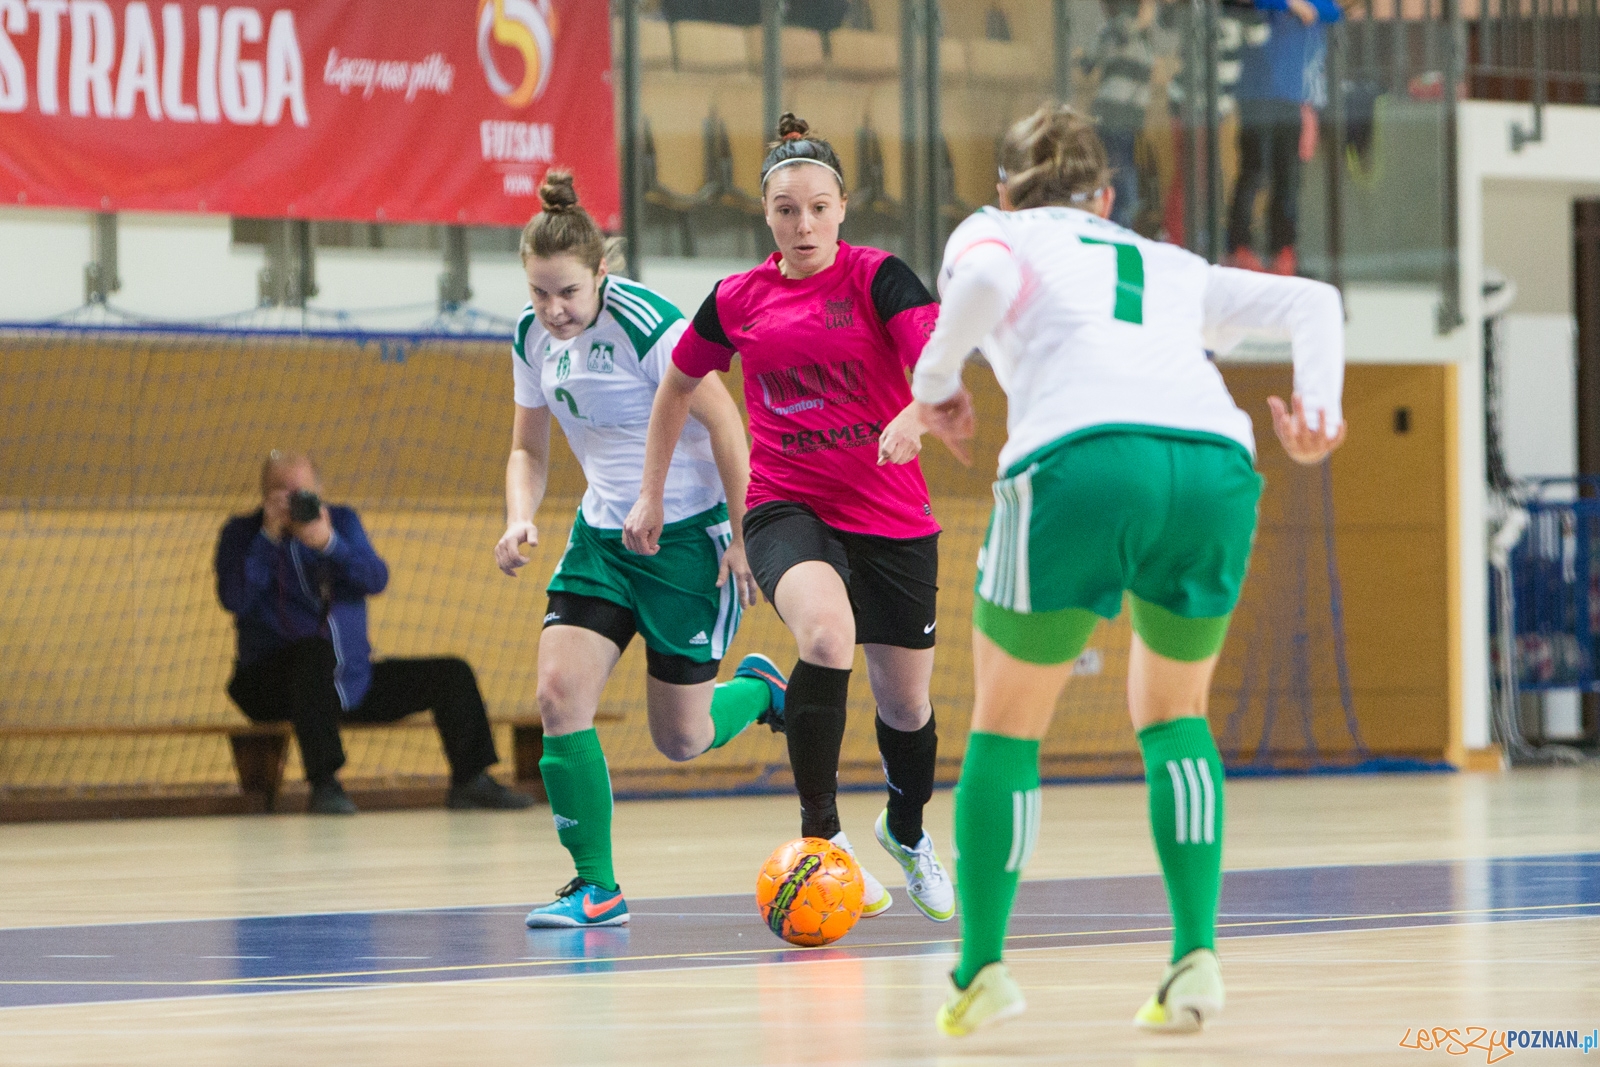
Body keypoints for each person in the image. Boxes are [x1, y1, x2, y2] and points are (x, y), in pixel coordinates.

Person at [881, 104, 1346, 1035]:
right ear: (1105, 196)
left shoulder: (994, 228)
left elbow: (983, 282)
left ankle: (982, 970)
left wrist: (933, 387)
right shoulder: (1166, 261)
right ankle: (1195, 954)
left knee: (1007, 728)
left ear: (1005, 188)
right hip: (1213, 463)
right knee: (1176, 714)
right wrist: (1319, 411)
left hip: (1080, 461)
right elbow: (1314, 301)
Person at [624, 114, 956, 923]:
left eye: (816, 208)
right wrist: (650, 491)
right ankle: (823, 838)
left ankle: (906, 829)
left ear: (842, 208)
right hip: (785, 508)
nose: (802, 225)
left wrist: (914, 415)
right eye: (785, 210)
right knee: (826, 636)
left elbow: (941, 365)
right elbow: (677, 386)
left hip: (890, 514)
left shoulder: (880, 279)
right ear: (766, 215)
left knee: (905, 707)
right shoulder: (737, 299)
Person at [498, 170, 787, 929]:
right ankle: (596, 886)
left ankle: (761, 691)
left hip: (687, 540)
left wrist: (745, 533)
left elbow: (725, 423)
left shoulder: (649, 324)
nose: (554, 310)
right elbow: (527, 448)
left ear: (601, 272)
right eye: (539, 293)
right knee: (557, 696)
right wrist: (519, 517)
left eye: (567, 292)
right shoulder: (531, 337)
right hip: (602, 538)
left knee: (681, 738)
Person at [216, 452, 534, 815]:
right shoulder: (241, 533)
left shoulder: (341, 522)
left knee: (451, 674)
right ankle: (325, 785)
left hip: (349, 680)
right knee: (312, 653)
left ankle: (472, 780)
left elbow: (376, 579)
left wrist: (329, 544)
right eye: (281, 493)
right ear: (264, 495)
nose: (293, 503)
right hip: (270, 683)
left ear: (319, 491)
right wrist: (268, 538)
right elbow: (234, 599)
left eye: (300, 492)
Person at [1226, 0, 1342, 275]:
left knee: (1287, 177)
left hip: (1291, 97)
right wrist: (1292, 4)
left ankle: (1282, 250)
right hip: (1256, 94)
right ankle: (1239, 248)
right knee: (1254, 171)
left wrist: (1300, 6)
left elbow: (1332, 12)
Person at [1079, 0, 1157, 231]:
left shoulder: (1131, 34)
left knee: (1118, 173)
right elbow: (1088, 62)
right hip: (1116, 116)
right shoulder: (1124, 30)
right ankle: (1119, 227)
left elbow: (1087, 63)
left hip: (1121, 117)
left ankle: (1117, 224)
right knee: (1121, 176)